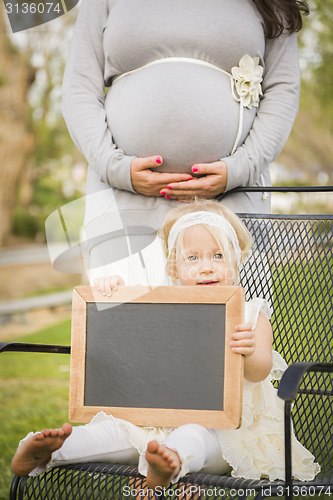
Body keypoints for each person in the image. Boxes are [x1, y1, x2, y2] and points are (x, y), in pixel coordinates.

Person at [12, 200, 320, 488]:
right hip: (156, 422)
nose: (207, 267)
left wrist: (250, 350)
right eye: (193, 258)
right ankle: (51, 451)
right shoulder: (163, 308)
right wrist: (111, 292)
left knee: (192, 437)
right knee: (110, 431)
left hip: (224, 430)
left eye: (218, 255)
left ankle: (168, 465)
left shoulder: (251, 314)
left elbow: (260, 371)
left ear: (236, 259)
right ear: (174, 267)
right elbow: (124, 336)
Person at [61, 0, 309, 286]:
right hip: (124, 201)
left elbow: (283, 89)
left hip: (231, 202)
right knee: (126, 325)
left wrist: (241, 168)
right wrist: (114, 166)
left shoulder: (272, 3)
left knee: (235, 327)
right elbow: (79, 84)